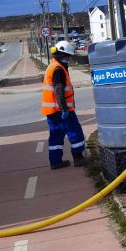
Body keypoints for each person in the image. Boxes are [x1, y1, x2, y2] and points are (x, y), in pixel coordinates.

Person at [41, 41, 88, 169]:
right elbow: (59, 90)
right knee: (75, 132)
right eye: (68, 56)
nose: (69, 58)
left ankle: (55, 162)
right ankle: (78, 158)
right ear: (62, 54)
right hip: (61, 110)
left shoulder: (52, 66)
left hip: (51, 110)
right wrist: (64, 109)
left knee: (56, 135)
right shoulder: (58, 69)